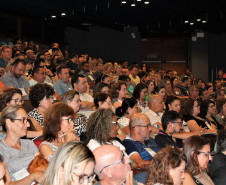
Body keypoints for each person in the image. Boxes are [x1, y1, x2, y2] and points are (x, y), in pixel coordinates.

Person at [0, 105, 42, 183]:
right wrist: (32, 177)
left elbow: (43, 167)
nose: (28, 125)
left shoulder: (29, 144)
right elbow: (7, 184)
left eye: (27, 121)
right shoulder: (2, 150)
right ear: (8, 123)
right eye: (23, 120)